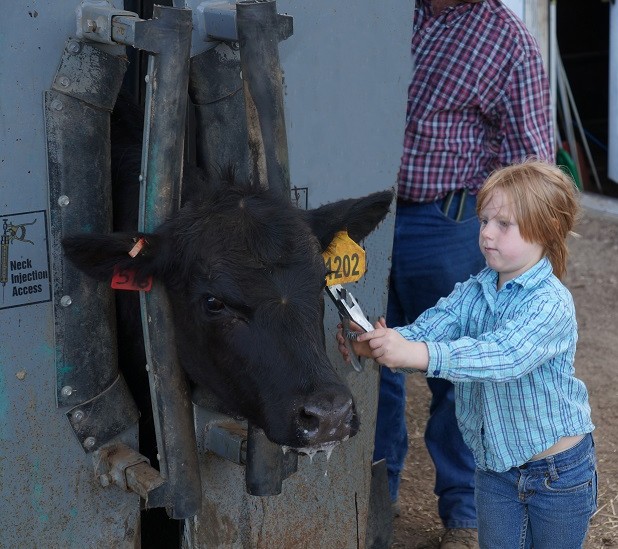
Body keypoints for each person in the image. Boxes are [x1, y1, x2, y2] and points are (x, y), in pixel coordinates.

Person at [342, 160, 597, 549]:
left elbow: (503, 357)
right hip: (496, 470)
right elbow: (429, 329)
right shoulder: (473, 291)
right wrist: (381, 342)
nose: (486, 234)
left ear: (545, 230)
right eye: (483, 221)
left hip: (557, 474)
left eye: (503, 224)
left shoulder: (550, 303)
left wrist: (417, 353)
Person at [377, 0, 555, 545]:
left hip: (447, 223)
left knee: (459, 375)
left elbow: (533, 165)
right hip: (367, 214)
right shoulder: (382, 15)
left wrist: (523, 255)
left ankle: (465, 514)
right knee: (371, 359)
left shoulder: (509, 41)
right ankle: (371, 504)